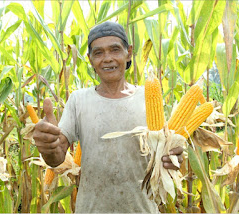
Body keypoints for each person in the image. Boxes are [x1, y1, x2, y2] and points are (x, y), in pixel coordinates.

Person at [33, 21, 183, 213]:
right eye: (98, 53)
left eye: (115, 50)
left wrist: (173, 158)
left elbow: (167, 152)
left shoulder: (149, 97)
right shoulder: (79, 100)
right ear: (89, 59)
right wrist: (48, 147)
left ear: (128, 52)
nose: (107, 59)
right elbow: (56, 157)